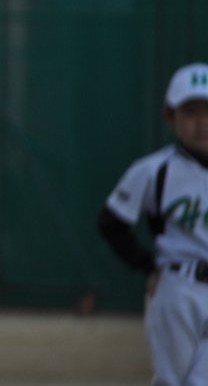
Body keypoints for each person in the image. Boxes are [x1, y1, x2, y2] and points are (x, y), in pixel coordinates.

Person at [98, 62, 208, 386]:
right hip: (179, 288)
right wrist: (147, 264)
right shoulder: (154, 170)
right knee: (172, 380)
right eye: (190, 112)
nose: (202, 122)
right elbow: (110, 223)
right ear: (170, 118)